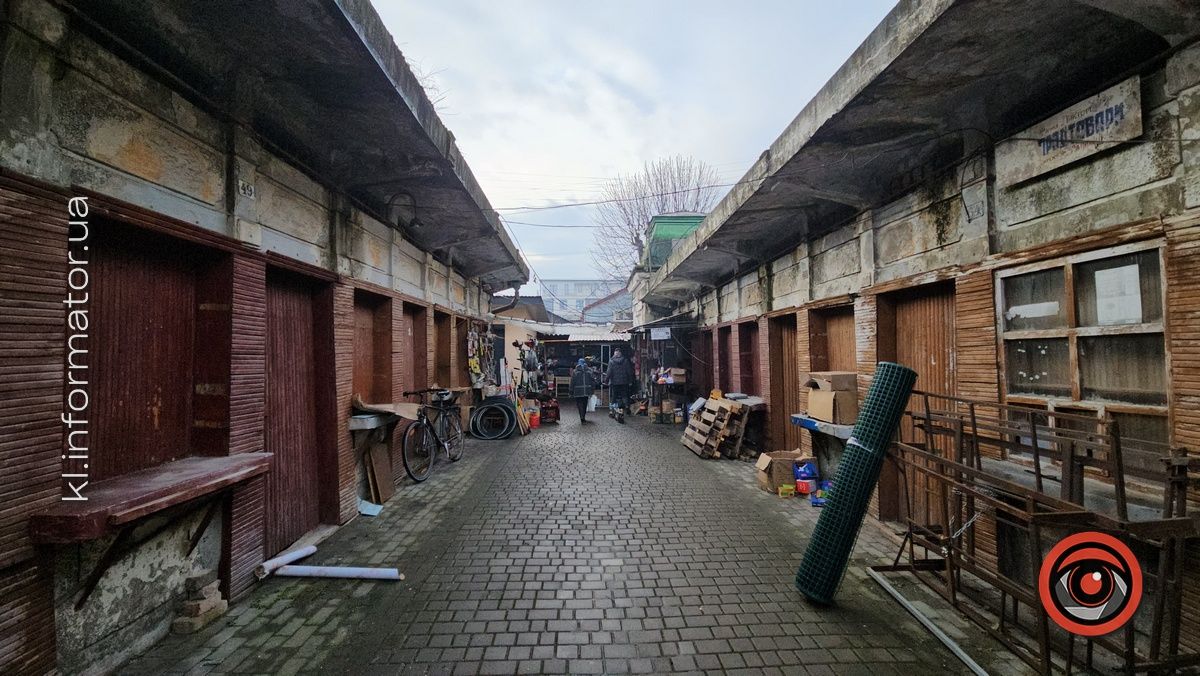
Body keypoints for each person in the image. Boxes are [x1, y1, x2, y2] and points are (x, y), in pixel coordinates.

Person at [606, 348, 635, 423]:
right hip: (624, 382)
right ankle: (627, 407)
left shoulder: (611, 361)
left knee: (614, 397)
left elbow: (609, 372)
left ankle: (612, 411)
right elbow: (629, 371)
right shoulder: (625, 361)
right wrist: (630, 380)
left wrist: (606, 380)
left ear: (614, 353)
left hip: (614, 382)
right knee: (624, 395)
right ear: (620, 353)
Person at [569, 358, 595, 423]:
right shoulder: (589, 370)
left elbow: (572, 382)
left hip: (578, 391)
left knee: (579, 404)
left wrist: (571, 391)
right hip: (587, 390)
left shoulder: (575, 371)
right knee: (585, 404)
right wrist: (592, 390)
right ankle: (583, 416)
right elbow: (592, 381)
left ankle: (582, 417)